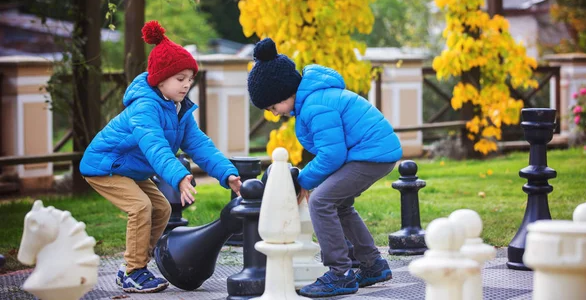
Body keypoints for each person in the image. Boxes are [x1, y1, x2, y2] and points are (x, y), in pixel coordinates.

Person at [80, 20, 242, 294]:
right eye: (180, 79)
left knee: (163, 209)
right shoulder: (145, 107)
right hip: (105, 165)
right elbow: (154, 145)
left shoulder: (178, 110)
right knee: (141, 206)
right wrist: (179, 177)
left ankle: (133, 266)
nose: (186, 85)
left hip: (130, 169)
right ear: (160, 79)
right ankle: (134, 271)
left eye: (190, 79)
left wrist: (228, 174)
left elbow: (201, 145)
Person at [247, 38, 402, 297]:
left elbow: (332, 155)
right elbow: (333, 152)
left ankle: (340, 273)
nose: (274, 114)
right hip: (372, 152)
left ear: (285, 91)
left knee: (320, 201)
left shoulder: (316, 105)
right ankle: (372, 264)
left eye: (273, 107)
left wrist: (305, 181)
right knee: (339, 204)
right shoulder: (314, 98)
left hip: (371, 154)